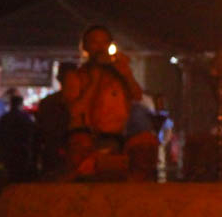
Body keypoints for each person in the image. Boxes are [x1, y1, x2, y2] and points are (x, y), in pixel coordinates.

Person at [69, 25, 143, 154]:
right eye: (95, 42)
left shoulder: (118, 76)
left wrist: (126, 74)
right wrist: (94, 81)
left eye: (104, 42)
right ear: (85, 46)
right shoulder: (76, 76)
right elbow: (74, 111)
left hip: (116, 139)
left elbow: (137, 96)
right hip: (86, 141)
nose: (100, 48)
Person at [35, 63, 79, 176]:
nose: (72, 83)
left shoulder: (83, 103)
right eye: (68, 80)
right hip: (54, 160)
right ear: (61, 81)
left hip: (77, 162)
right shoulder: (49, 104)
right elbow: (41, 134)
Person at [0, 93, 38, 184]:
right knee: (22, 181)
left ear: (11, 104)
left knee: (10, 180)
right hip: (23, 154)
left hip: (8, 154)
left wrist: (0, 154)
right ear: (21, 104)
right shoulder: (26, 118)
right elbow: (33, 137)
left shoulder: (4, 119)